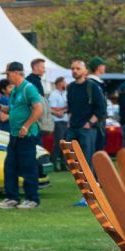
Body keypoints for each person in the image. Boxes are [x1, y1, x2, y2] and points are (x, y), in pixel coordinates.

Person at [0, 61, 43, 210]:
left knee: (28, 167)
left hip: (27, 135)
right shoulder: (15, 90)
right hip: (14, 135)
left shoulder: (29, 88)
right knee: (10, 166)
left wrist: (26, 126)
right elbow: (12, 109)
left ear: (16, 73)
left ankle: (32, 199)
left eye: (8, 73)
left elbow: (38, 109)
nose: (7, 77)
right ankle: (12, 198)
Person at [65, 58, 106, 195]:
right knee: (74, 162)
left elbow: (101, 109)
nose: (74, 71)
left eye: (77, 68)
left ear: (85, 71)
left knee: (87, 160)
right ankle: (85, 189)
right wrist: (69, 122)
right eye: (72, 68)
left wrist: (89, 123)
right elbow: (70, 108)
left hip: (87, 129)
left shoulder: (92, 86)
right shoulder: (70, 87)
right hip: (73, 128)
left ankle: (91, 190)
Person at [48, 77, 69, 170]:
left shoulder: (65, 93)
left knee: (65, 144)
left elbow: (68, 106)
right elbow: (52, 108)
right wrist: (63, 110)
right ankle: (53, 163)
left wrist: (62, 110)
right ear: (59, 83)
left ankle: (64, 164)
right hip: (58, 121)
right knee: (58, 143)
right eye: (64, 82)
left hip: (65, 120)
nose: (65, 83)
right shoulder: (53, 94)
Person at [88, 57, 108, 154]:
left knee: (100, 145)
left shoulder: (99, 82)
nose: (105, 67)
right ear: (98, 67)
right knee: (96, 147)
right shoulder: (92, 83)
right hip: (95, 119)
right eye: (103, 65)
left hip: (100, 119)